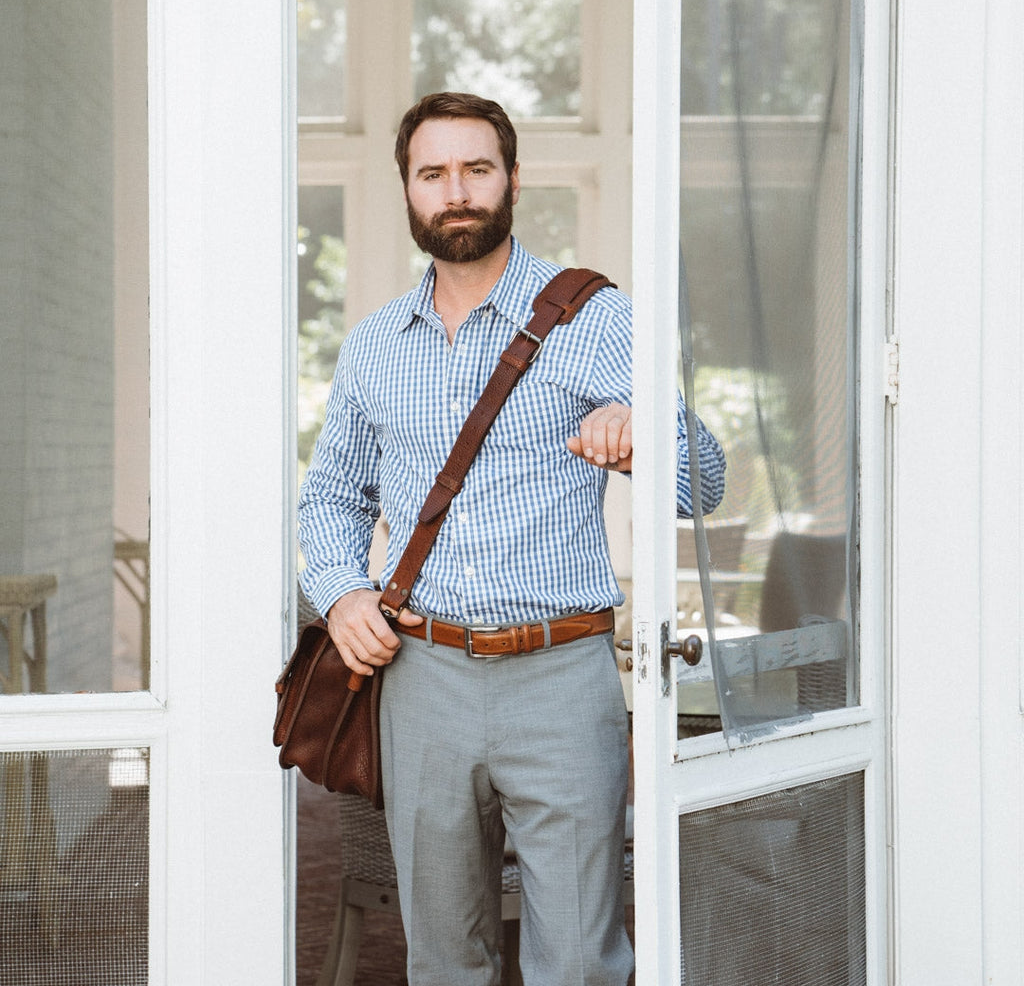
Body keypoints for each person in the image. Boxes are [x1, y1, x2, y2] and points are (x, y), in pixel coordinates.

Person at [298, 92, 725, 986]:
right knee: (444, 959)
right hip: (420, 680)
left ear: (514, 180)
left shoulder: (597, 320)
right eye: (434, 173)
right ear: (409, 191)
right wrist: (341, 594)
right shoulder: (375, 347)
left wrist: (643, 431)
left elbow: (705, 482)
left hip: (561, 680)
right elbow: (332, 495)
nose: (456, 190)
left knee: (578, 959)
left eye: (477, 169)